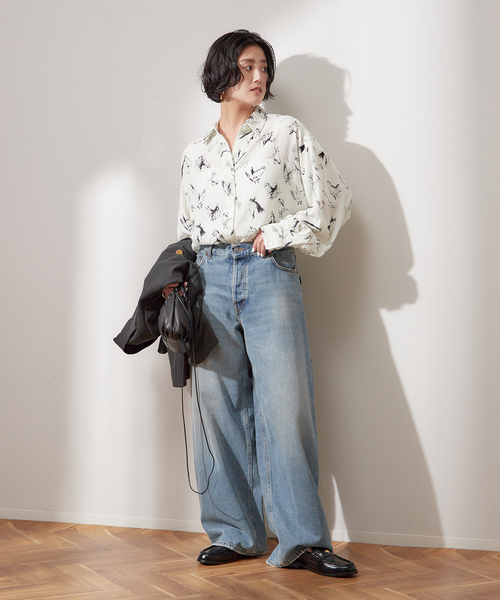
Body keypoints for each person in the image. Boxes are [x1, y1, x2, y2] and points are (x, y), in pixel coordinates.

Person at [165, 29, 356, 577]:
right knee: (218, 408)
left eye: (264, 68)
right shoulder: (195, 153)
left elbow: (335, 200)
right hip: (207, 278)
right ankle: (236, 533)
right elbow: (186, 226)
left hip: (269, 273)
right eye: (247, 66)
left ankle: (302, 540)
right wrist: (180, 280)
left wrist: (276, 234)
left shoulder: (286, 134)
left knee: (286, 406)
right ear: (221, 72)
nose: (258, 77)